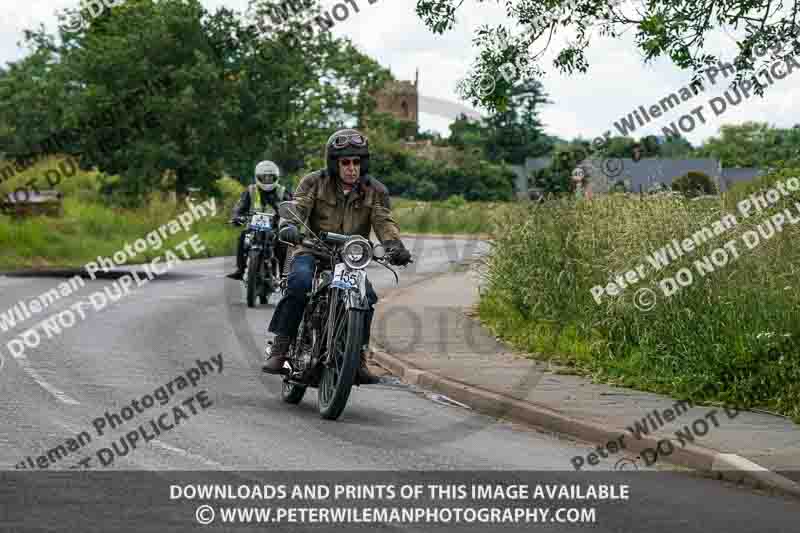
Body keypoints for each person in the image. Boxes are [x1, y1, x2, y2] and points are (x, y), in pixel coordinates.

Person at [262, 128, 412, 384]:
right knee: (299, 283)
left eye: (356, 162)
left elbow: (384, 220)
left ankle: (357, 358)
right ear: (335, 163)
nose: (352, 168)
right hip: (311, 249)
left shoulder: (375, 190)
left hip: (350, 257)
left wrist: (394, 246)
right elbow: (297, 207)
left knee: (368, 296)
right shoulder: (314, 182)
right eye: (345, 162)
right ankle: (281, 348)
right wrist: (289, 226)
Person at [227, 160, 292, 281]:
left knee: (283, 244)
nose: (267, 180)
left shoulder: (282, 191)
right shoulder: (250, 190)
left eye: (270, 177)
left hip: (275, 228)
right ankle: (240, 270)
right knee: (242, 238)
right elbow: (239, 206)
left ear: (276, 177)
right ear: (258, 177)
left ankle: (286, 277)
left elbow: (292, 208)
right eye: (264, 177)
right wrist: (236, 217)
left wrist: (289, 220)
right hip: (253, 228)